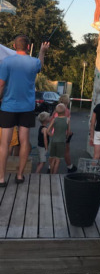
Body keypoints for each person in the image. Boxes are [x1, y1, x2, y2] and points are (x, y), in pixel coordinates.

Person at [0, 35, 50, 186]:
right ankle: (20, 175)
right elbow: (40, 64)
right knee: (24, 142)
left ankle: (1, 178)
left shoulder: (6, 62)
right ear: (28, 47)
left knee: (4, 144)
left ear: (14, 46)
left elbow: (1, 85)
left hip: (8, 107)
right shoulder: (34, 62)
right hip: (27, 108)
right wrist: (42, 51)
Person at [47, 94, 76, 173]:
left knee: (53, 153)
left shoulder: (56, 110)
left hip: (54, 133)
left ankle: (50, 168)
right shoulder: (66, 111)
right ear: (68, 101)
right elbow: (67, 125)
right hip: (62, 134)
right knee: (65, 151)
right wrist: (69, 134)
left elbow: (50, 120)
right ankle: (69, 166)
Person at [47, 103, 70, 174]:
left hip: (54, 141)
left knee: (52, 158)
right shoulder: (67, 120)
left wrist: (52, 135)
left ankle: (51, 173)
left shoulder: (54, 119)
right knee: (58, 160)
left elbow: (48, 130)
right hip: (62, 142)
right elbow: (68, 132)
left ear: (56, 112)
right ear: (65, 111)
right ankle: (54, 174)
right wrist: (66, 137)